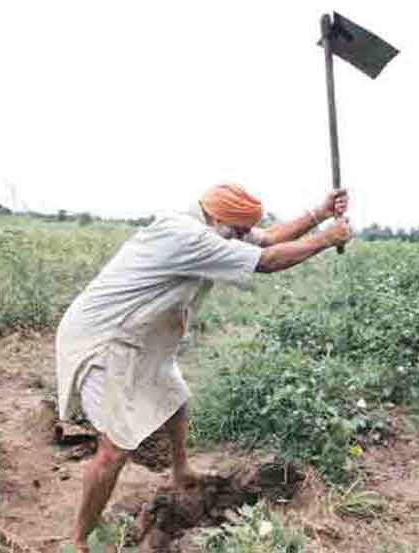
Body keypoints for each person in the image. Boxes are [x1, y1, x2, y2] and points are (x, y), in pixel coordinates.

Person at [55, 183, 351, 550]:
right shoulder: (186, 236)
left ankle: (181, 471)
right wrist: (324, 240)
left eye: (245, 230)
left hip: (139, 337)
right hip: (104, 340)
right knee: (116, 447)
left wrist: (319, 215)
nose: (245, 237)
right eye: (239, 231)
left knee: (174, 395)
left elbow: (270, 238)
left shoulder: (218, 226)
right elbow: (268, 260)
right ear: (215, 217)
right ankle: (79, 540)